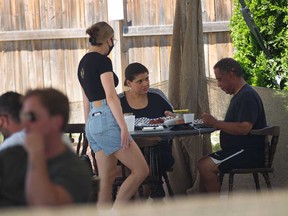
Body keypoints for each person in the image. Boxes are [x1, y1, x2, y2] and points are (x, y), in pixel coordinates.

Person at [77, 22, 149, 206]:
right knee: (141, 170)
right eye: (113, 40)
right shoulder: (103, 61)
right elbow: (111, 96)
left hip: (93, 121)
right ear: (108, 40)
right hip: (106, 118)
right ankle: (116, 211)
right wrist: (123, 127)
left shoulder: (82, 63)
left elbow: (85, 99)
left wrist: (88, 127)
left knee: (106, 180)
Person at [0, 88, 92, 206]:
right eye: (23, 116)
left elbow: (45, 207)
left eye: (31, 117)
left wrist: (36, 154)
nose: (24, 123)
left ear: (56, 122)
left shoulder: (74, 168)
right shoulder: (11, 154)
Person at [198, 58, 267, 193]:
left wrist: (216, 123)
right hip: (238, 150)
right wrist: (216, 124)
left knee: (205, 166)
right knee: (202, 164)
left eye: (220, 79)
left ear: (231, 74)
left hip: (247, 153)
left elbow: (244, 128)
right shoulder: (240, 95)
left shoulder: (247, 96)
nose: (218, 84)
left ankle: (215, 210)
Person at [118, 62, 175, 198]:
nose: (146, 84)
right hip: (130, 149)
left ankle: (149, 194)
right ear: (128, 83)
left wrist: (170, 116)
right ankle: (153, 192)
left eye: (147, 79)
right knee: (142, 164)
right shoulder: (119, 101)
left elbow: (173, 117)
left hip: (159, 148)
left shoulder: (157, 95)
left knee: (157, 159)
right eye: (140, 81)